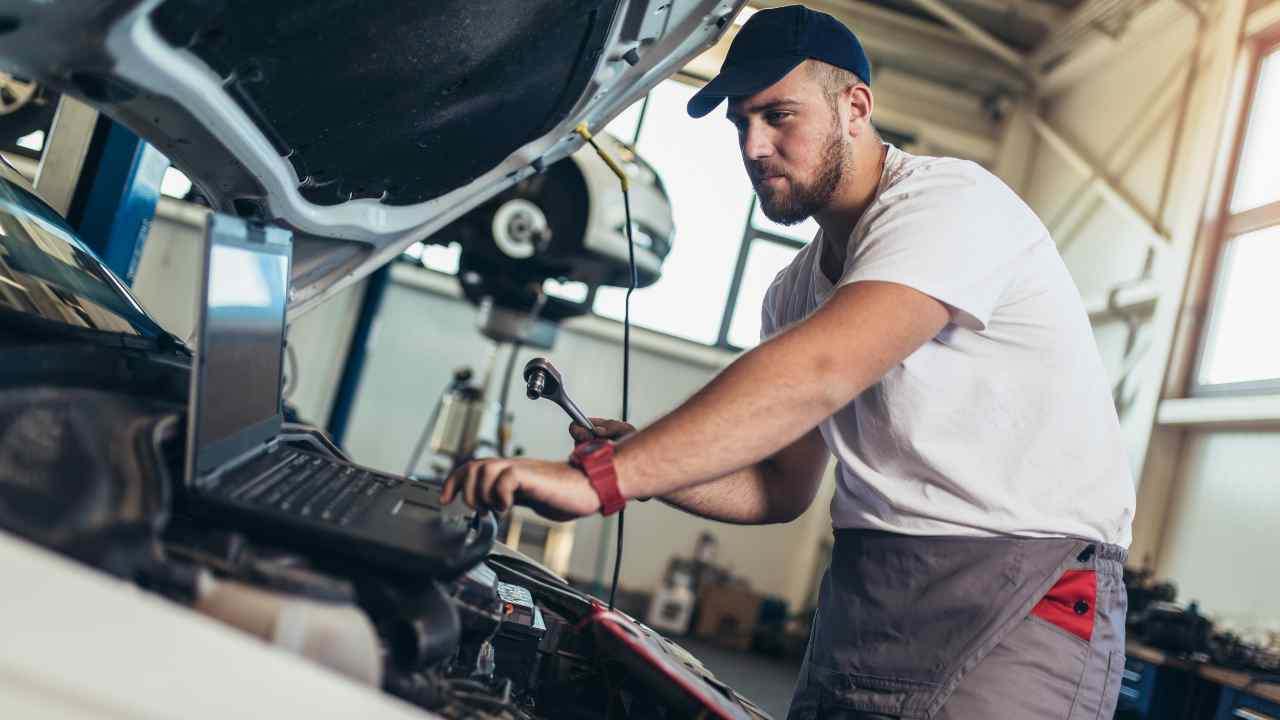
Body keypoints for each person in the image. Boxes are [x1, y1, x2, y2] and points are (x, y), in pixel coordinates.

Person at [442, 5, 1135, 718]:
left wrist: (603, 480)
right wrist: (650, 461)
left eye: (778, 116)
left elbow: (821, 370)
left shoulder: (951, 206)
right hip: (873, 598)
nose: (754, 145)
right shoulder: (794, 291)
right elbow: (780, 488)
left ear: (855, 107)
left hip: (1020, 599)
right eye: (740, 122)